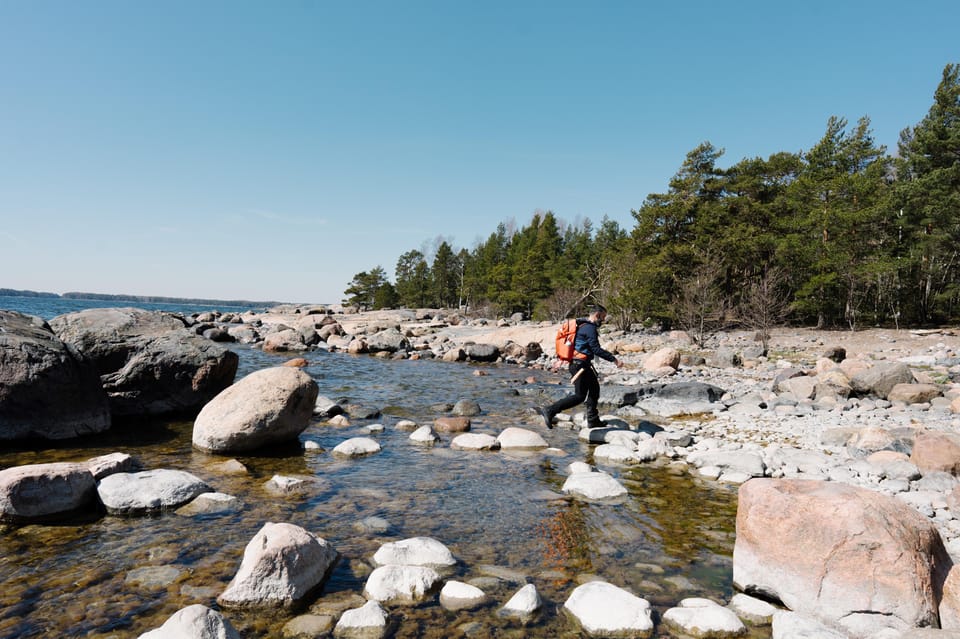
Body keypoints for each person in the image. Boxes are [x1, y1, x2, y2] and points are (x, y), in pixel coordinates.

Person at [539, 304, 622, 429]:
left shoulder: (583, 326)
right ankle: (550, 410)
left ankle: (593, 420)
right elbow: (596, 349)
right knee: (579, 396)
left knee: (594, 389)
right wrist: (614, 359)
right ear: (597, 315)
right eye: (603, 317)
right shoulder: (589, 328)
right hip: (580, 366)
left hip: (581, 365)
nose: (603, 320)